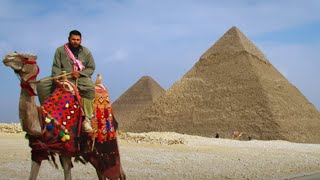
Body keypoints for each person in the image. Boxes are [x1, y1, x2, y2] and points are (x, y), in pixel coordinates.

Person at [51, 30, 95, 133]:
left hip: (81, 78)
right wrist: (58, 77)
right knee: (50, 90)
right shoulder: (60, 51)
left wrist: (79, 73)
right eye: (73, 39)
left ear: (81, 40)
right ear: (68, 39)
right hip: (65, 77)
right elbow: (56, 67)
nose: (75, 41)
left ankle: (87, 118)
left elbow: (91, 67)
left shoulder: (86, 52)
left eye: (78, 40)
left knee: (90, 88)